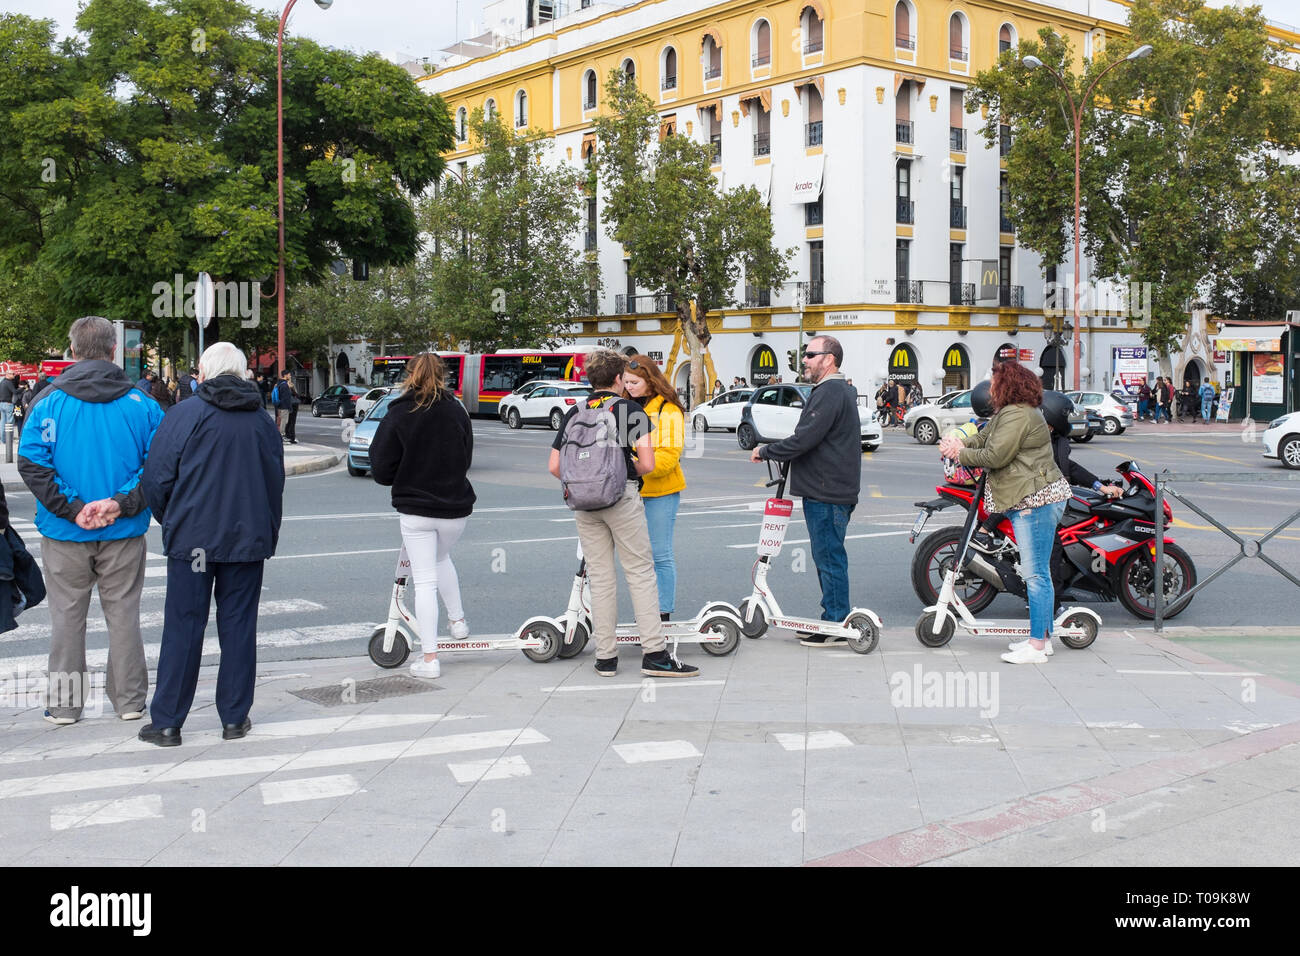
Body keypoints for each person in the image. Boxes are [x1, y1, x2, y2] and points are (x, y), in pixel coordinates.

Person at [17, 316, 165, 723]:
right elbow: (159, 466)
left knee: (67, 617)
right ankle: (130, 701)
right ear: (113, 351)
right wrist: (118, 503)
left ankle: (65, 706)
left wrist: (74, 506)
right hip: (123, 529)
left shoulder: (48, 401)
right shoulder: (142, 404)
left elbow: (31, 462)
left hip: (65, 530)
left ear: (74, 351)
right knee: (123, 615)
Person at [137, 343, 284, 746]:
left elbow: (156, 479)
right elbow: (275, 482)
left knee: (184, 625)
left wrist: (172, 521)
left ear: (202, 371)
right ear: (242, 372)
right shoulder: (261, 421)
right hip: (247, 541)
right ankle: (234, 718)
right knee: (239, 626)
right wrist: (266, 533)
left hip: (193, 543)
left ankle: (168, 722)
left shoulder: (184, 415)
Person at [549, 348, 698, 678]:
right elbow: (646, 464)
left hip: (584, 506)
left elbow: (554, 466)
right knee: (641, 573)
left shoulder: (575, 411)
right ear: (617, 379)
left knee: (600, 578)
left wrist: (585, 479)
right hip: (621, 499)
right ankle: (655, 654)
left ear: (590, 379)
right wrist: (617, 470)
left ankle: (605, 658)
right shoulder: (628, 411)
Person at [939, 362, 1070, 664]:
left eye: (994, 382)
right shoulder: (1011, 412)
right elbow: (984, 440)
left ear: (1007, 384)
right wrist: (958, 443)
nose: (990, 388)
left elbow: (996, 455)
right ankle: (1044, 639)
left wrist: (958, 454)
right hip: (1031, 498)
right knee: (1040, 573)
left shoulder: (1017, 414)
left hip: (1034, 501)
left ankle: (1037, 647)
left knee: (1036, 575)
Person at [750, 335, 861, 645]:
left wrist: (767, 451)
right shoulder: (836, 390)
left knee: (829, 558)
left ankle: (836, 623)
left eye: (811, 355)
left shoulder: (830, 391)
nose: (805, 360)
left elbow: (805, 438)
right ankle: (833, 617)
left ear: (829, 359)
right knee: (827, 556)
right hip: (829, 489)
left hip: (828, 492)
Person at [369, 353, 474, 680]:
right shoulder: (457, 410)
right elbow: (466, 456)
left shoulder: (399, 412)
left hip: (415, 509)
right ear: (443, 376)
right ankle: (457, 622)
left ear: (409, 375)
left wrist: (403, 473)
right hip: (455, 509)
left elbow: (380, 465)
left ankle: (430, 659)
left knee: (424, 581)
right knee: (441, 559)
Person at [623, 354, 686, 621]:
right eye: (626, 381)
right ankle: (646, 614)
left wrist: (634, 465)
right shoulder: (625, 408)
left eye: (635, 381)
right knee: (638, 560)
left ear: (650, 380)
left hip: (661, 492)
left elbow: (669, 456)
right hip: (630, 492)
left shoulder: (668, 410)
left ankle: (662, 614)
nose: (630, 386)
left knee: (660, 554)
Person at [273, 369, 299, 444]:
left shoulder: (279, 383)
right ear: (285, 375)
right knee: (284, 421)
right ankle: (282, 436)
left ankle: (282, 436)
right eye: (289, 374)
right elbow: (286, 398)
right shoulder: (285, 385)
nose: (290, 376)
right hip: (284, 406)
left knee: (284, 421)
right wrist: (289, 407)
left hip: (280, 406)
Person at [0, 372, 15, 438]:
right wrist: (22, 388)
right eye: (13, 373)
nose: (14, 375)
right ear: (8, 374)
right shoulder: (9, 382)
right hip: (8, 404)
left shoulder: (2, 382)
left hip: (1, 403)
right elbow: (14, 391)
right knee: (9, 422)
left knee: (3, 421)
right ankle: (9, 438)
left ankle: (3, 438)